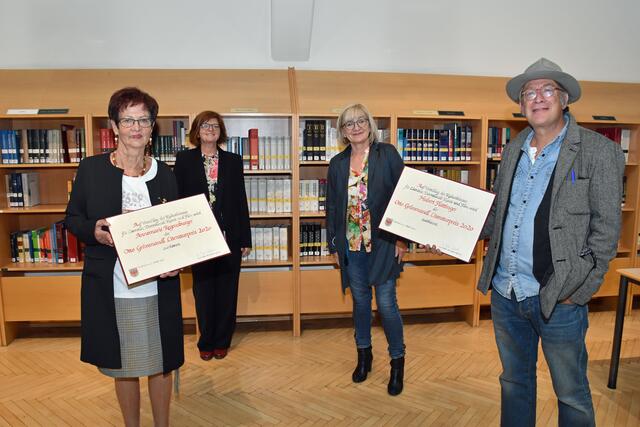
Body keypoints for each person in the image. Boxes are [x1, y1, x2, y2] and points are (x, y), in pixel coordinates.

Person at [478, 58, 625, 426]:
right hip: (506, 293)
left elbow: (607, 229)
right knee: (513, 382)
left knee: (571, 393)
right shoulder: (512, 149)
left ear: (564, 99)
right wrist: (450, 230)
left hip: (561, 295)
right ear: (521, 103)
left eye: (547, 91)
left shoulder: (598, 151)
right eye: (530, 92)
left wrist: (583, 288)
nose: (537, 98)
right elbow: (498, 215)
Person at [65, 87, 183, 427]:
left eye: (143, 120)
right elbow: (73, 219)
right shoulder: (91, 169)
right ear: (114, 127)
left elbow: (175, 231)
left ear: (152, 127)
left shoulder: (165, 174)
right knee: (125, 366)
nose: (136, 127)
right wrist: (95, 232)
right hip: (113, 287)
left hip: (158, 290)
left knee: (161, 362)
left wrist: (176, 262)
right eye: (128, 119)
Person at [326, 103, 407, 396]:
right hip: (351, 245)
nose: (356, 126)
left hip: (384, 243)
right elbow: (333, 206)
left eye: (361, 121)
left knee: (386, 304)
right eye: (349, 123)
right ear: (343, 132)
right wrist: (332, 244)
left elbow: (403, 197)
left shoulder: (388, 155)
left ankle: (397, 362)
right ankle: (364, 355)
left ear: (370, 125)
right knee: (360, 303)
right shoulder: (337, 164)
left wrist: (402, 239)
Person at [173, 111, 251, 361]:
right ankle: (206, 341)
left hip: (230, 236)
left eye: (215, 126)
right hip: (199, 238)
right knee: (204, 291)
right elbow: (178, 202)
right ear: (196, 130)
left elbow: (241, 201)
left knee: (228, 291)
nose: (210, 129)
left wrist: (245, 239)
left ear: (221, 131)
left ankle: (222, 341)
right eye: (205, 125)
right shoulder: (184, 160)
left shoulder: (233, 160)